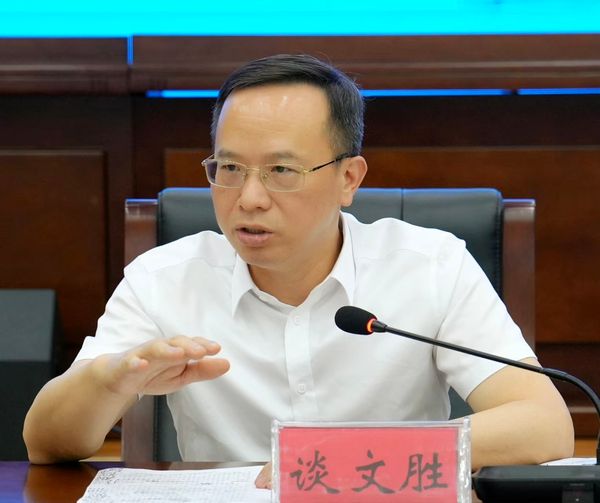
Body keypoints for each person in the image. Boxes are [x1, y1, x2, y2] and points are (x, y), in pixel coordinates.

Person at [24, 54, 573, 488]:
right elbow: (46, 444)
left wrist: (342, 458)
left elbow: (543, 422)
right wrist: (110, 380)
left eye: (281, 170)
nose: (249, 198)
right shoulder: (164, 278)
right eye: (229, 167)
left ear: (348, 179)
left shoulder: (431, 266)